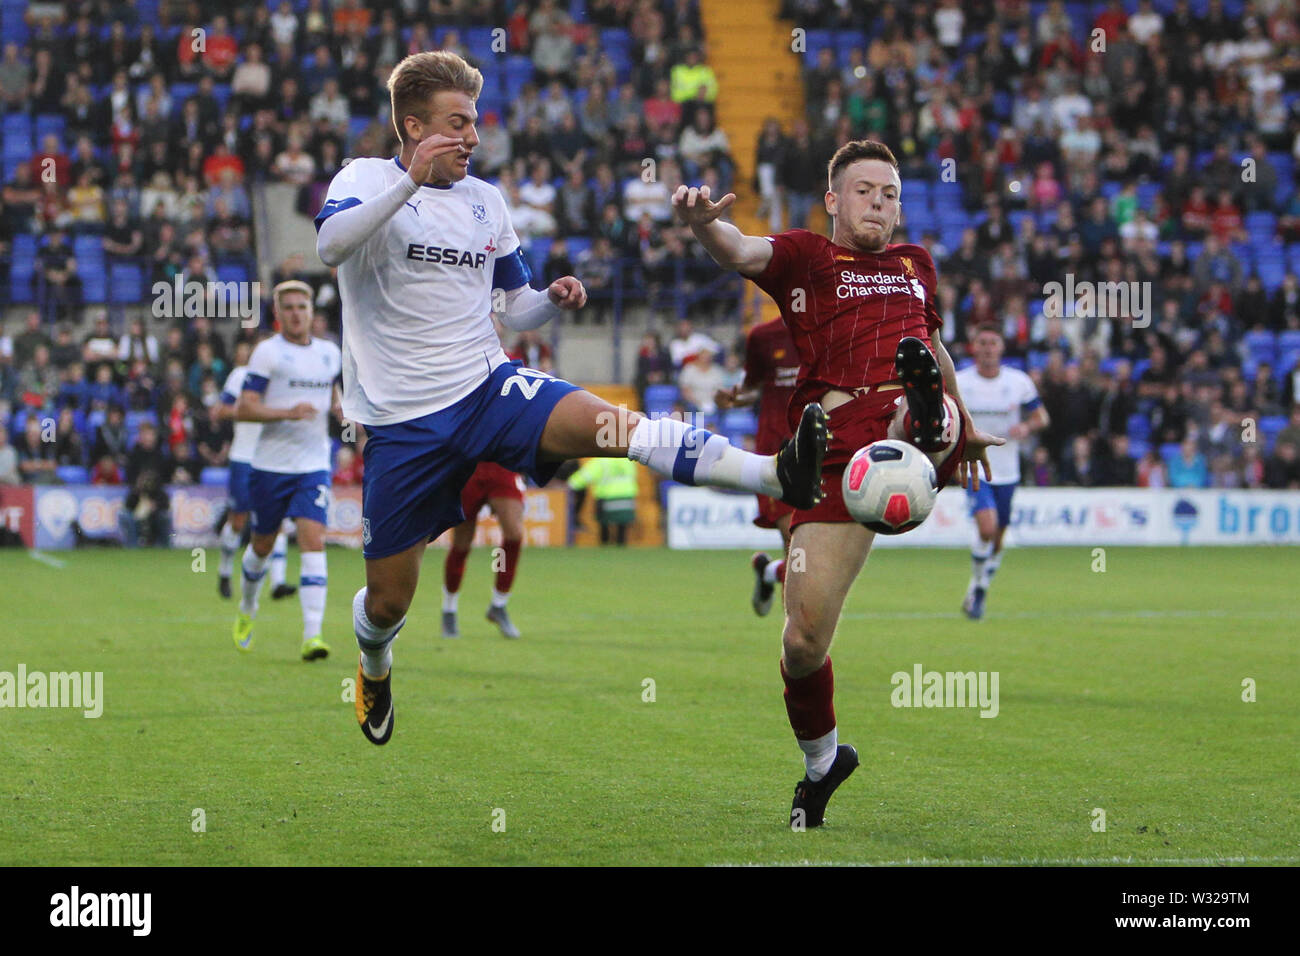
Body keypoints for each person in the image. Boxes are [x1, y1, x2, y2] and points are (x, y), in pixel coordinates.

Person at [314, 51, 826, 746]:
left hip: (486, 386)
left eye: (474, 122)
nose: (471, 137)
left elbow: (514, 305)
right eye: (455, 123)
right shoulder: (368, 178)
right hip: (402, 423)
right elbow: (330, 247)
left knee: (618, 427)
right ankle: (374, 663)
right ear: (411, 125)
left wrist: (548, 302)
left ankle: (774, 470)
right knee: (386, 603)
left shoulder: (484, 202)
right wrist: (408, 181)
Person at [672, 139, 1003, 828]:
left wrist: (963, 420)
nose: (879, 203)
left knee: (919, 395)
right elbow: (739, 251)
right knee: (801, 642)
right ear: (833, 199)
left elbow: (937, 347)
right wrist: (705, 223)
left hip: (906, 426)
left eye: (890, 194)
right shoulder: (807, 257)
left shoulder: (918, 266)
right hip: (831, 453)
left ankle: (925, 419)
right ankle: (822, 765)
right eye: (865, 191)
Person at [230, 280, 342, 662]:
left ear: (312, 312)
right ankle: (247, 608)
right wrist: (287, 412)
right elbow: (244, 408)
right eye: (289, 308)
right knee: (262, 545)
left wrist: (344, 412)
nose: (297, 313)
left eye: (302, 306)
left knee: (313, 540)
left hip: (313, 467)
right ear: (278, 314)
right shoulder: (267, 353)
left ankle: (313, 636)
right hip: (269, 467)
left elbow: (333, 397)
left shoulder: (330, 353)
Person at [954, 325, 1050, 620]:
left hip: (1008, 470)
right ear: (974, 347)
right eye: (982, 343)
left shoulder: (1018, 382)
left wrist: (1027, 426)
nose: (987, 348)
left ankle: (978, 586)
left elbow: (1041, 417)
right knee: (987, 528)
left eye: (992, 343)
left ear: (1001, 348)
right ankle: (979, 590)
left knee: (998, 536)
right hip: (973, 467)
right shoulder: (959, 382)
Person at [715, 316, 800, 616]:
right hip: (776, 451)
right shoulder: (764, 336)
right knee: (795, 539)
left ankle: (769, 572)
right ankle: (798, 633)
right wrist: (735, 398)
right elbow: (753, 388)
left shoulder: (831, 325)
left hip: (824, 449)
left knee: (814, 555)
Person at [211, 338, 294, 602]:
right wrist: (254, 410)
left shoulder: (284, 379)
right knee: (238, 519)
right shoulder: (240, 376)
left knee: (277, 519)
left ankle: (278, 582)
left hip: (273, 458)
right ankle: (224, 570)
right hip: (244, 457)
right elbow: (220, 411)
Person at [438, 462, 528, 640]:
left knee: (514, 536)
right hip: (471, 466)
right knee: (461, 545)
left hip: (502, 465)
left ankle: (499, 604)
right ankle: (449, 609)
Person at [567, 456, 638, 546]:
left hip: (607, 497)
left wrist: (570, 484)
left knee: (604, 526)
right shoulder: (627, 459)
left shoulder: (601, 460)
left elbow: (585, 476)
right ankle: (621, 549)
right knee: (622, 528)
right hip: (627, 498)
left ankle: (605, 546)